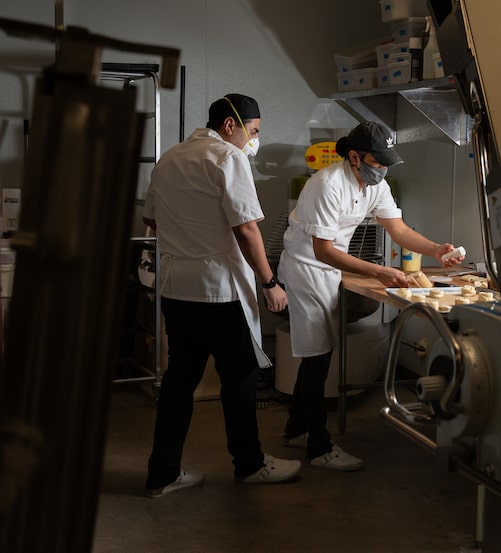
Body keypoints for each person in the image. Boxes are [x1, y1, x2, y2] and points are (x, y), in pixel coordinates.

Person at [277, 121, 465, 471]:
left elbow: (399, 229)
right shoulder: (327, 184)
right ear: (354, 156)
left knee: (316, 355)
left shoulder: (374, 184)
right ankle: (318, 448)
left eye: (386, 162)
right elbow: (322, 250)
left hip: (328, 269)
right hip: (306, 269)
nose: (383, 168)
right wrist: (378, 271)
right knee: (317, 358)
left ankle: (295, 428)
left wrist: (437, 249)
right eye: (378, 162)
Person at [142, 93, 301, 497]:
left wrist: (187, 241)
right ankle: (249, 465)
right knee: (241, 379)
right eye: (254, 131)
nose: (254, 140)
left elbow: (150, 218)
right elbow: (247, 229)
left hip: (178, 289)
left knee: (180, 380)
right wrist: (270, 283)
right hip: (220, 291)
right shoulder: (228, 158)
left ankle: (162, 473)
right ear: (230, 125)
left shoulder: (170, 158)